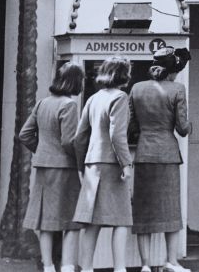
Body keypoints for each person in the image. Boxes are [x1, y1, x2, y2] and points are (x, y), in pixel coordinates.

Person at [129, 47, 192, 272]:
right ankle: (171, 262)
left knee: (143, 211)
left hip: (144, 153)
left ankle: (145, 264)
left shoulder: (136, 88)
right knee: (171, 209)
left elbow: (132, 125)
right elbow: (182, 128)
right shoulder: (177, 89)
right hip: (167, 154)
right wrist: (190, 126)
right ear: (172, 70)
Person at [18, 62, 84, 272]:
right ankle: (66, 266)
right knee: (72, 221)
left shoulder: (42, 103)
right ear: (76, 81)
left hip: (44, 167)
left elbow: (24, 135)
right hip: (65, 168)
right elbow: (68, 141)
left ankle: (47, 266)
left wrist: (43, 151)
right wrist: (81, 161)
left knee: (45, 221)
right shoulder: (70, 105)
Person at [73, 56, 134, 272]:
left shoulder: (93, 98)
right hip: (112, 164)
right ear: (123, 74)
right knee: (121, 220)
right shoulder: (120, 97)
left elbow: (79, 137)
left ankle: (87, 269)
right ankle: (119, 269)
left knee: (91, 222)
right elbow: (118, 135)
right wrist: (126, 164)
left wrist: (81, 167)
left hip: (92, 164)